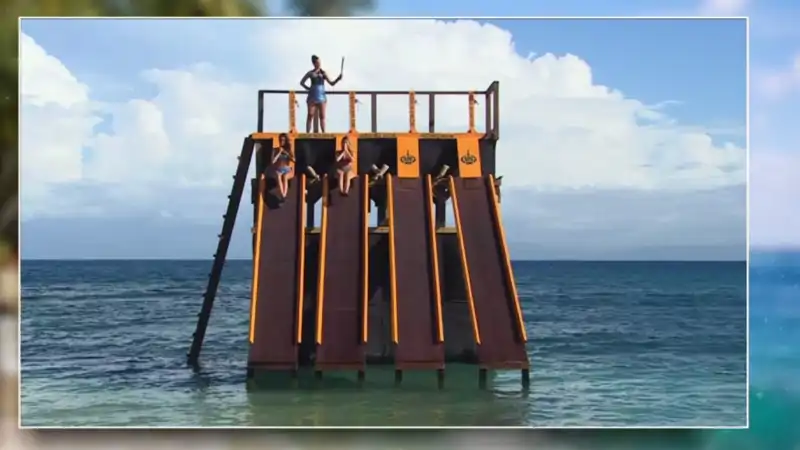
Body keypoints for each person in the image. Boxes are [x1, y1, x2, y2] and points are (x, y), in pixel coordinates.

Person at [299, 55, 342, 133]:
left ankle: (324, 132)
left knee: (322, 116)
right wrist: (308, 88)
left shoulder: (323, 73)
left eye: (320, 62)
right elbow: (302, 82)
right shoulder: (310, 73)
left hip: (321, 96)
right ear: (314, 63)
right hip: (312, 96)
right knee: (310, 115)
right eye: (318, 62)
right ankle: (307, 133)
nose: (319, 64)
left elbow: (332, 83)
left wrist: (338, 79)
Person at [271, 133, 294, 200]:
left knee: (285, 177)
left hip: (287, 168)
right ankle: (283, 195)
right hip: (278, 169)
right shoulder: (275, 150)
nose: (281, 142)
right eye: (280, 140)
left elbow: (294, 159)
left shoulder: (288, 150)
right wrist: (279, 153)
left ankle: (284, 194)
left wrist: (286, 153)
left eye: (283, 140)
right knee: (278, 175)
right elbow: (272, 162)